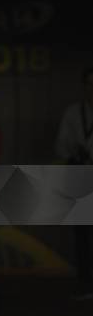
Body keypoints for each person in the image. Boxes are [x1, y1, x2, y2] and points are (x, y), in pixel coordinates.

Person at [56, 67, 93, 300]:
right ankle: (86, 282)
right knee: (83, 232)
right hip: (80, 176)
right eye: (89, 84)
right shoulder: (74, 113)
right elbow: (60, 146)